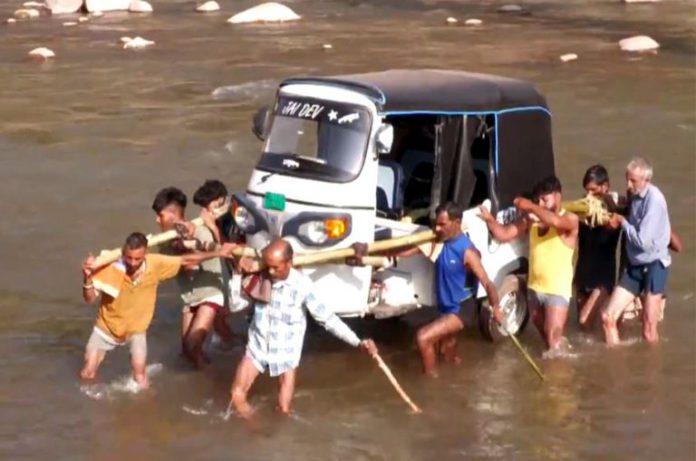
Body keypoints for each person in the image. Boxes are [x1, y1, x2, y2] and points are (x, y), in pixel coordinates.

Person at [229, 239, 378, 418]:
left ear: (289, 263)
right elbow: (235, 306)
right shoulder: (259, 277)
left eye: (276, 268)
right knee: (236, 395)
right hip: (257, 348)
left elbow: (327, 319)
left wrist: (357, 342)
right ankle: (256, 431)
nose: (271, 272)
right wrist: (237, 274)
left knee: (283, 412)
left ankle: (273, 439)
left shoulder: (302, 286)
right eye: (268, 266)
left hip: (286, 353)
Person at [355, 202, 502, 377]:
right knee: (447, 352)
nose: (437, 228)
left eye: (442, 224)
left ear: (457, 223)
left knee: (423, 337)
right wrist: (372, 252)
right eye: (436, 224)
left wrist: (497, 307)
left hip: (462, 308)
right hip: (445, 306)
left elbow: (488, 283)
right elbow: (407, 250)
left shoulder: (468, 252)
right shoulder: (438, 243)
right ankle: (457, 381)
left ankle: (431, 381)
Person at [80, 232, 236, 388]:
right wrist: (87, 279)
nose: (133, 263)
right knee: (87, 374)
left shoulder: (155, 264)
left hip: (136, 330)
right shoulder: (111, 266)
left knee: (140, 377)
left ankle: (146, 407)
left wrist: (219, 253)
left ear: (145, 254)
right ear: (123, 253)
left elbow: (185, 260)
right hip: (106, 327)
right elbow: (90, 298)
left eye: (138, 259)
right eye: (129, 258)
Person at [479, 176, 579, 352]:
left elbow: (555, 221)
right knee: (547, 342)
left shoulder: (570, 220)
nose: (540, 203)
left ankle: (559, 375)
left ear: (557, 196)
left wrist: (531, 206)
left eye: (544, 199)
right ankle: (562, 354)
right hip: (534, 289)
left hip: (556, 290)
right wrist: (489, 219)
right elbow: (503, 234)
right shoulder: (531, 221)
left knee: (553, 340)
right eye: (538, 199)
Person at [151, 186, 234, 367]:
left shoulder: (201, 231)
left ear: (173, 216)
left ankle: (213, 377)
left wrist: (189, 243)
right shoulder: (164, 241)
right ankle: (207, 371)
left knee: (192, 344)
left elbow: (189, 265)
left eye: (160, 215)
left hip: (210, 292)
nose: (157, 220)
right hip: (190, 297)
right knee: (186, 351)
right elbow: (172, 265)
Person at [602, 157, 672, 345]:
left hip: (654, 265)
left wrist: (622, 222)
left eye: (633, 180)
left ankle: (653, 371)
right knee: (608, 317)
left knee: (649, 329)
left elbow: (642, 241)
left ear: (646, 180)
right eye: (627, 179)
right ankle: (616, 366)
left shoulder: (654, 201)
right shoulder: (635, 197)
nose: (628, 184)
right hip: (635, 267)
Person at [574, 165, 621, 331]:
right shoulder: (582, 208)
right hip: (582, 275)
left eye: (593, 191)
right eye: (586, 191)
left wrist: (608, 203)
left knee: (584, 320)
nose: (589, 195)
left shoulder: (617, 208)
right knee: (584, 330)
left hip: (602, 278)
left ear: (605, 186)